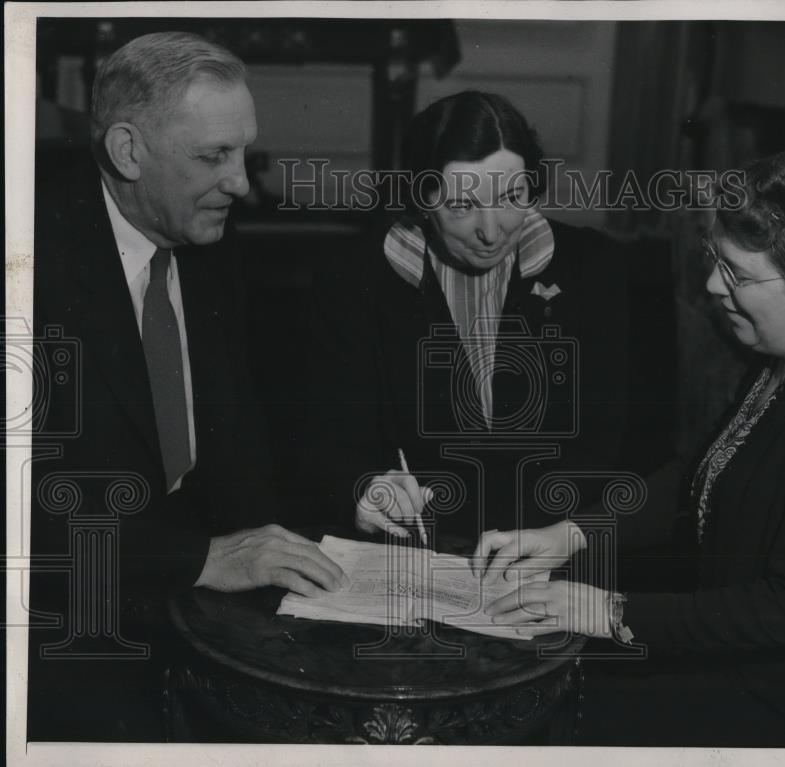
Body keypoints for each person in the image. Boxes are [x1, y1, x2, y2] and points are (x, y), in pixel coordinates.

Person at [477, 148, 785, 747]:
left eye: (737, 272)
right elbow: (709, 471)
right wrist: (571, 534)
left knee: (551, 710)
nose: (712, 283)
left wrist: (607, 611)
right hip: (770, 659)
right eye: (715, 259)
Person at [28, 31, 346, 742]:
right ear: (127, 151)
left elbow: (237, 442)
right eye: (213, 157)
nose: (241, 183)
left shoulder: (206, 238)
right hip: (63, 624)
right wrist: (202, 559)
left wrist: (337, 506)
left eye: (244, 151)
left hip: (197, 608)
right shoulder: (28, 264)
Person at [308, 91, 637, 550]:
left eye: (511, 197)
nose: (492, 229)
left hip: (549, 547)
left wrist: (545, 540)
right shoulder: (354, 278)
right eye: (462, 206)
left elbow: (605, 444)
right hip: (411, 551)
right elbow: (333, 443)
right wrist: (364, 493)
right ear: (422, 200)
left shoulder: (593, 267)